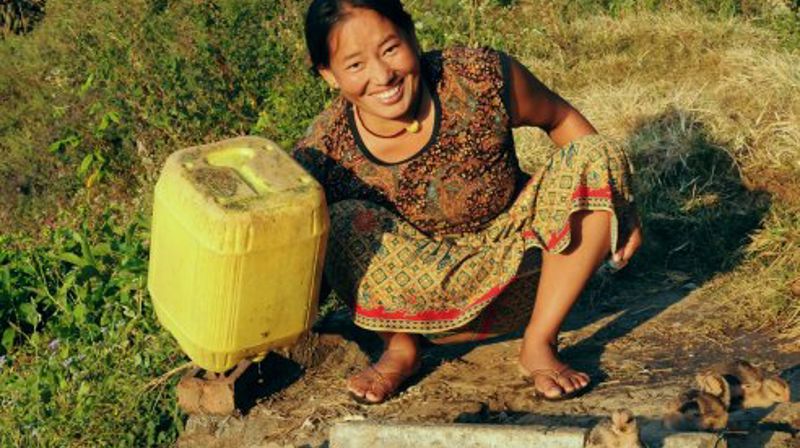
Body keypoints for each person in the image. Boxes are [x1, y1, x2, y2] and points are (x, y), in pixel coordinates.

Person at [292, 0, 642, 404]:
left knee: (596, 154)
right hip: (422, 312)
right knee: (334, 218)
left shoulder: (478, 76)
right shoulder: (325, 149)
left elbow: (560, 119)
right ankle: (401, 349)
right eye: (355, 65)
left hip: (527, 279)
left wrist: (618, 201)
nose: (382, 75)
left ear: (412, 36)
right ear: (329, 75)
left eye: (390, 49)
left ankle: (539, 343)